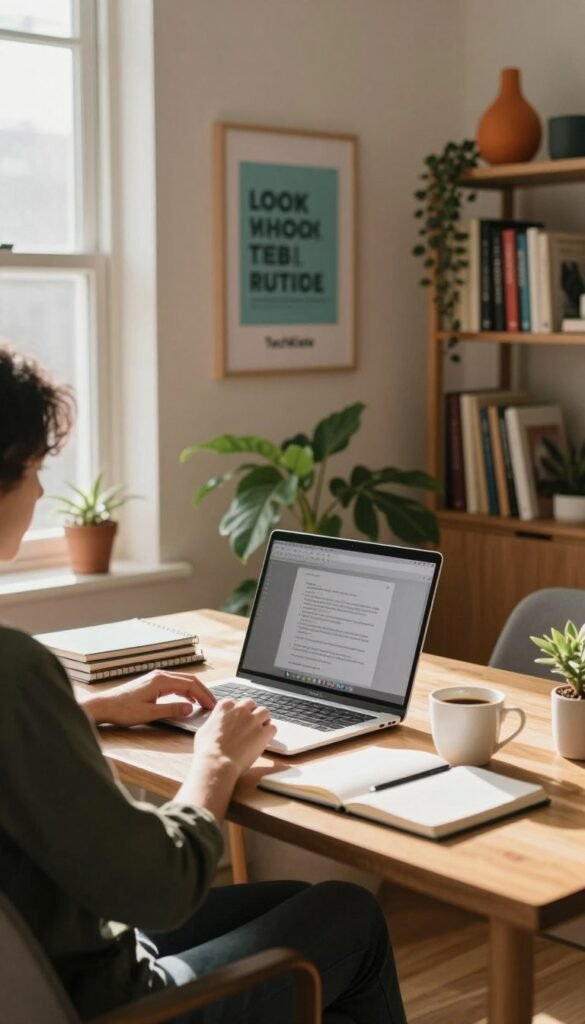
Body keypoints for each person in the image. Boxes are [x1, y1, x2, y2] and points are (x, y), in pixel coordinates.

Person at [0, 346, 408, 1024]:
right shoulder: (13, 670)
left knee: (285, 900)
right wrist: (215, 761)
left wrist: (89, 707)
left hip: (48, 963)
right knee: (349, 913)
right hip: (108, 1002)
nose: (42, 494)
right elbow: (160, 888)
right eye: (37, 470)